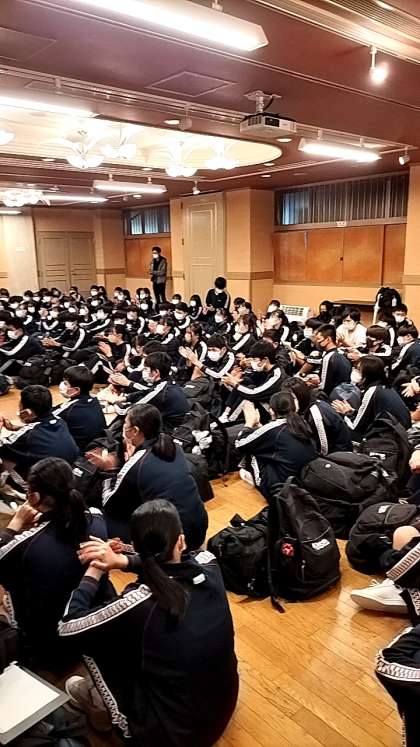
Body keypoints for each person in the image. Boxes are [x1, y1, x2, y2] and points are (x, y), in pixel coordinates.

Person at [61, 499, 238, 745]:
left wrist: (95, 570)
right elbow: (179, 562)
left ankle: (100, 707)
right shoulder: (210, 564)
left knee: (93, 642)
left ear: (135, 546)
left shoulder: (139, 604)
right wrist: (125, 562)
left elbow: (68, 627)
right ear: (181, 541)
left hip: (173, 737)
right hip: (221, 708)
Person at [0, 457, 110, 670]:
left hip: (47, 642)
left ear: (34, 496)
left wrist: (15, 524)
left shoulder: (26, 545)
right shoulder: (96, 518)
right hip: (90, 623)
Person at [86, 403, 208, 545]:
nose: (123, 426)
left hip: (173, 542)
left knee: (99, 516)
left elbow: (108, 502)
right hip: (198, 527)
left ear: (135, 431)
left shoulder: (137, 464)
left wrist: (110, 469)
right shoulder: (173, 445)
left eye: (125, 423)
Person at [235, 393, 316, 499]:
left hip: (278, 489)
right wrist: (259, 425)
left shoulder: (275, 427)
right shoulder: (302, 423)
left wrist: (249, 423)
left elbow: (240, 444)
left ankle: (251, 477)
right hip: (301, 482)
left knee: (251, 450)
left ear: (271, 410)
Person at [0, 385, 79, 478]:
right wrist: (14, 427)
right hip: (66, 474)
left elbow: (3, 446)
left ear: (27, 412)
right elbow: (37, 428)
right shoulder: (61, 421)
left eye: (20, 406)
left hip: (42, 482)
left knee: (5, 459)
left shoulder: (28, 436)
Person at [332, 355, 411, 438]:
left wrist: (346, 413)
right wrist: (351, 411)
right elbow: (367, 416)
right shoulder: (385, 387)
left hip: (393, 439)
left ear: (368, 374)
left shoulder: (372, 391)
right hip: (401, 433)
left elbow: (355, 426)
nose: (354, 371)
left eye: (358, 370)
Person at [112, 352, 190, 429]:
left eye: (146, 369)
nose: (143, 371)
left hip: (169, 432)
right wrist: (126, 398)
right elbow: (147, 391)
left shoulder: (162, 392)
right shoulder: (169, 382)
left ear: (156, 372)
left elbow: (128, 410)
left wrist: (113, 401)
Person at [221, 340, 284, 423]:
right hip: (259, 399)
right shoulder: (262, 370)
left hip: (270, 409)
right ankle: (225, 414)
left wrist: (235, 384)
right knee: (245, 381)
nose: (252, 362)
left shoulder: (277, 375)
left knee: (248, 393)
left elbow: (254, 393)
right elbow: (246, 381)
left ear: (265, 359)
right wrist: (235, 381)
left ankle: (229, 420)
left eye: (254, 359)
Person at [53, 366, 106, 452]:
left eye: (65, 383)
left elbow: (47, 417)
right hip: (96, 446)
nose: (62, 385)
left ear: (76, 390)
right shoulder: (94, 401)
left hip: (78, 452)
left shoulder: (70, 410)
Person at [304, 324, 352, 396]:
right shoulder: (340, 353)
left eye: (319, 339)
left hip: (332, 396)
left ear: (328, 339)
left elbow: (324, 387)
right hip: (343, 393)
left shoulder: (328, 357)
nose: (317, 342)